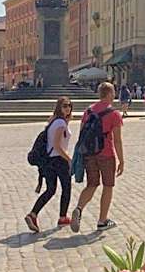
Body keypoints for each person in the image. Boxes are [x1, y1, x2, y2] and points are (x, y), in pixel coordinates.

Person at [70, 82, 124, 232]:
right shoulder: (114, 113)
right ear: (109, 94)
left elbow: (82, 134)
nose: (114, 95)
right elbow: (117, 140)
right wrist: (121, 160)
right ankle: (102, 220)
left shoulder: (88, 111)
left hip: (89, 154)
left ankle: (79, 208)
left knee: (92, 184)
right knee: (108, 186)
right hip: (106, 154)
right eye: (113, 92)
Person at [25, 97, 74, 232]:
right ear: (59, 107)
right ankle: (63, 217)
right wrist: (69, 160)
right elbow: (58, 146)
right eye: (64, 106)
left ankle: (33, 214)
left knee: (51, 189)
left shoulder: (53, 121)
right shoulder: (60, 123)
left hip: (48, 161)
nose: (68, 108)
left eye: (69, 105)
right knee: (66, 188)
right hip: (59, 160)